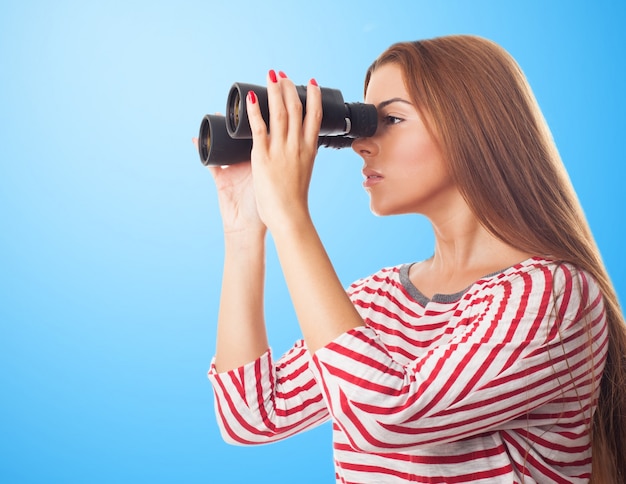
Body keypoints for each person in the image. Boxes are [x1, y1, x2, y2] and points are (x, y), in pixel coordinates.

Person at [198, 35, 626, 483]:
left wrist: (291, 218)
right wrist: (245, 230)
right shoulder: (380, 299)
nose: (361, 145)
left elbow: (383, 418)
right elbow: (251, 415)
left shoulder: (552, 296)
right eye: (362, 124)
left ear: (472, 127)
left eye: (391, 119)